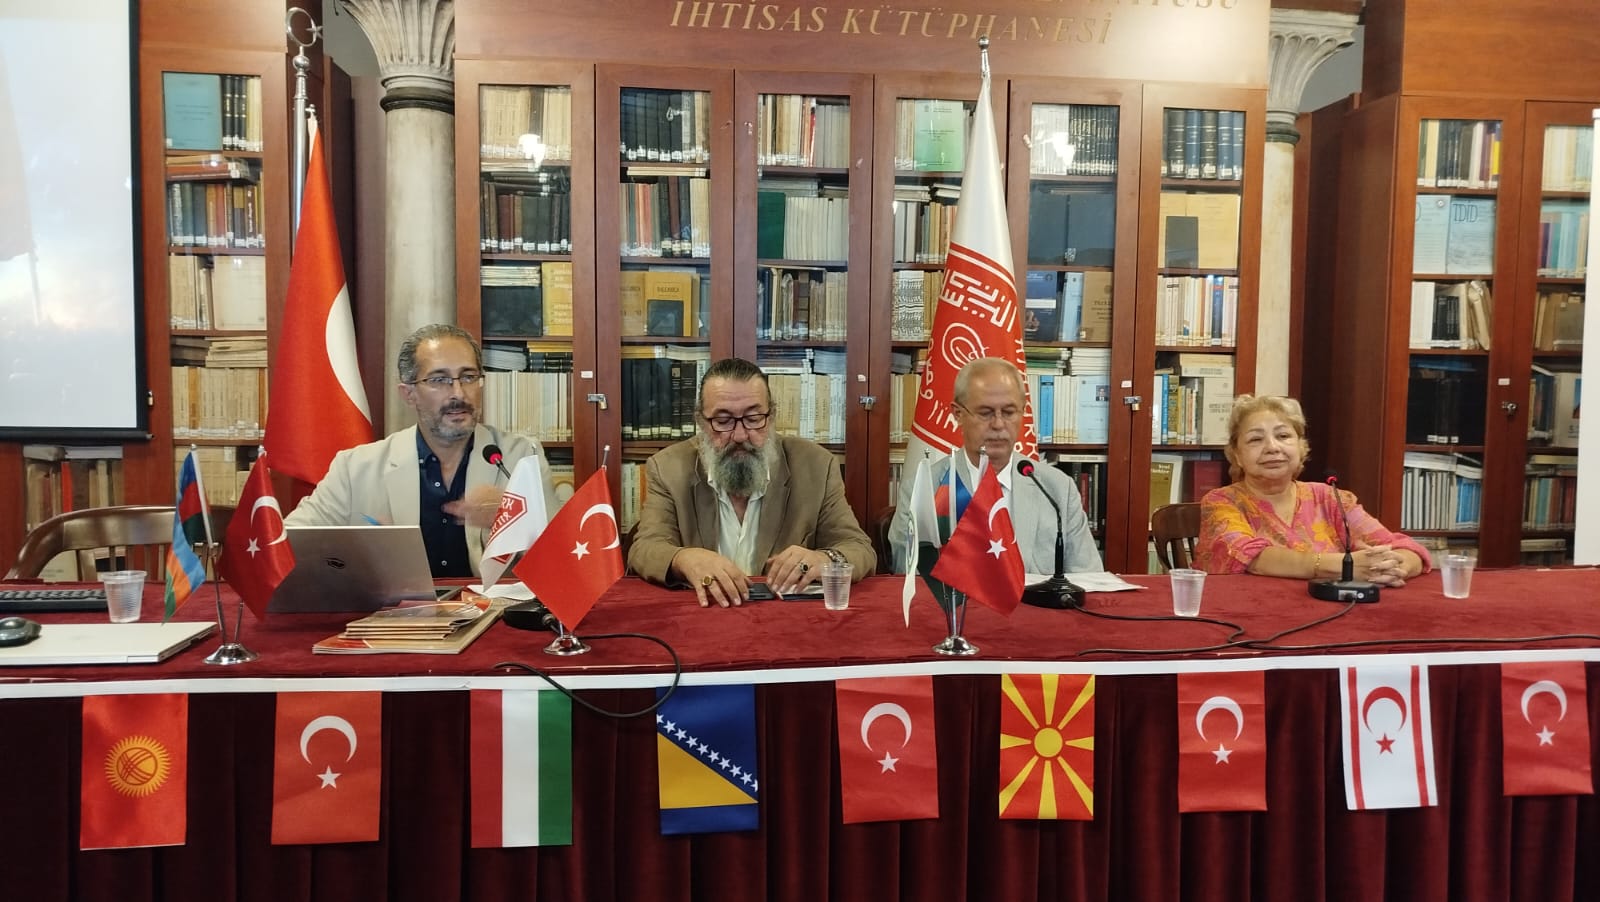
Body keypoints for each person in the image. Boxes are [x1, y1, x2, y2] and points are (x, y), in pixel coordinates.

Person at [285, 323, 559, 578]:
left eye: (468, 377)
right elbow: (289, 544)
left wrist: (517, 519)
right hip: (393, 610)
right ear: (409, 394)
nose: (458, 393)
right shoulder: (356, 468)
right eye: (439, 380)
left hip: (489, 609)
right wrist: (357, 550)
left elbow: (562, 555)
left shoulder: (520, 457)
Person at [627, 357, 876, 607]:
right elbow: (645, 548)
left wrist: (824, 559)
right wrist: (683, 559)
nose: (740, 435)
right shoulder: (668, 468)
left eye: (754, 418)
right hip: (705, 614)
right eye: (723, 421)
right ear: (701, 422)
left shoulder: (816, 466)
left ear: (771, 416)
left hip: (785, 618)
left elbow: (858, 547)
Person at [887, 357, 1102, 575]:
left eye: (1008, 412)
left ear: (1023, 412)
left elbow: (1089, 576)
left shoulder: (1058, 489)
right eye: (985, 413)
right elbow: (907, 573)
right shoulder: (924, 489)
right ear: (958, 414)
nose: (998, 424)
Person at [1196, 394, 1432, 583]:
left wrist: (1391, 567)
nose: (1272, 447)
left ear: (1301, 448)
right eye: (1255, 439)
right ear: (1236, 454)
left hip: (1335, 615)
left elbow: (1405, 548)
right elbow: (1251, 558)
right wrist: (1344, 567)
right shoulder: (1221, 502)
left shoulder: (1329, 498)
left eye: (1283, 436)